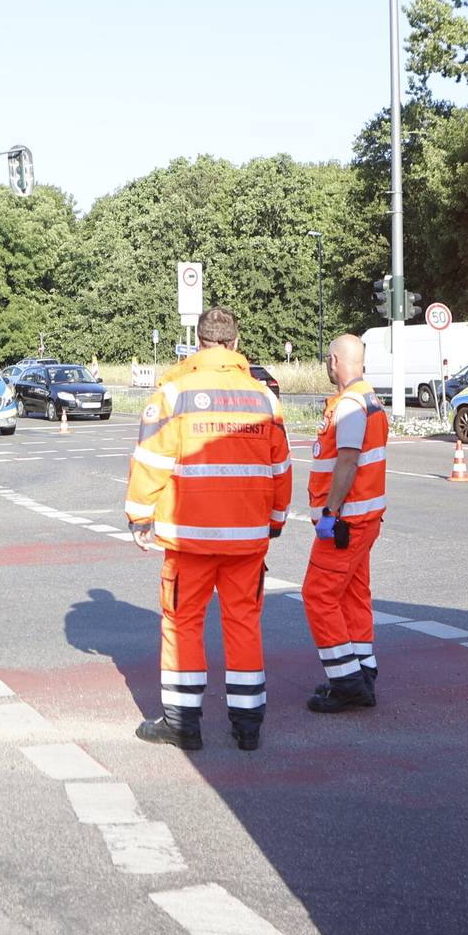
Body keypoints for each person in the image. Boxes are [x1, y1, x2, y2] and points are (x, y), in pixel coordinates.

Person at [123, 306, 291, 751]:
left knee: (182, 623)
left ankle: (182, 724)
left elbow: (151, 458)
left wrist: (140, 515)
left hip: (189, 535)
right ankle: (248, 724)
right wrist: (274, 521)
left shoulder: (174, 392)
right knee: (243, 623)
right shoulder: (263, 397)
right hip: (247, 535)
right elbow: (281, 469)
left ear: (198, 343)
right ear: (235, 343)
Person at [303, 333, 390, 713]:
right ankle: (362, 670)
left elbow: (347, 461)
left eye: (328, 359)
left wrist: (330, 513)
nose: (327, 364)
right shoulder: (368, 399)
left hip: (345, 522)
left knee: (318, 596)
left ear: (336, 361)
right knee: (353, 595)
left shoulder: (351, 404)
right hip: (365, 519)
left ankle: (346, 682)